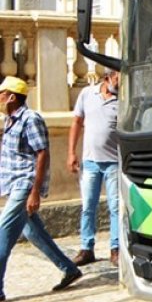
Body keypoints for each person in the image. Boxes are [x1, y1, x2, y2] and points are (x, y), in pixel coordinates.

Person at [0, 76, 83, 299]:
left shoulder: (30, 119)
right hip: (12, 183)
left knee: (2, 234)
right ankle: (69, 269)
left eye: (1, 94)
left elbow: (42, 154)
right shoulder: (9, 120)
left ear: (11, 97)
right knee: (34, 233)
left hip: (25, 185)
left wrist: (35, 191)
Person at [67, 68, 120, 266]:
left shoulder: (123, 100)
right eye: (118, 77)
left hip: (114, 161)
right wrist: (71, 152)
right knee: (88, 206)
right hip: (90, 161)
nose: (121, 81)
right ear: (109, 76)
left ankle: (116, 249)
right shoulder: (87, 94)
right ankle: (86, 247)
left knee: (115, 207)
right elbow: (77, 122)